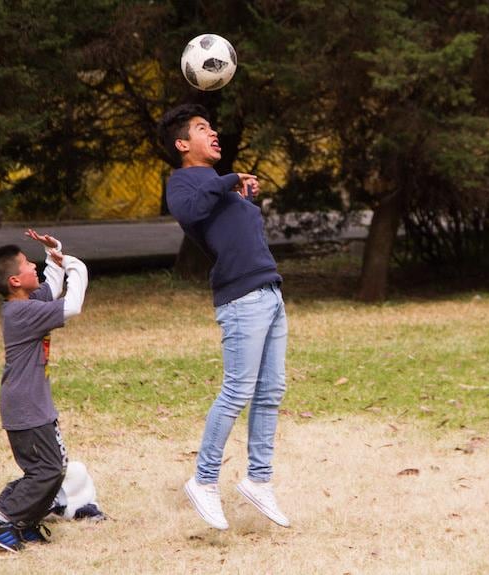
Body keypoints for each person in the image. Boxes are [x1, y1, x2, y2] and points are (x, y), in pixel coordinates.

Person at [158, 104, 290, 530]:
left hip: (268, 290)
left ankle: (259, 479)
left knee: (271, 390)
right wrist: (231, 180)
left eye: (212, 127)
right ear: (182, 144)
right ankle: (204, 480)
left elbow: (236, 229)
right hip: (241, 297)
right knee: (237, 391)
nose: (213, 133)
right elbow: (191, 212)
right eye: (202, 128)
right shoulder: (182, 183)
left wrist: (241, 196)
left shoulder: (218, 185)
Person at [0, 229, 88, 551]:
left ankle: (22, 523)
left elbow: (51, 288)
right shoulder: (21, 313)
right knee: (47, 470)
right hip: (27, 407)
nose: (33, 267)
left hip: (31, 404)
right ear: (14, 281)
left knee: (51, 468)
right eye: (27, 264)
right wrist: (75, 266)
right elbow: (72, 306)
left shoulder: (26, 303)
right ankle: (4, 518)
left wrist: (54, 254)